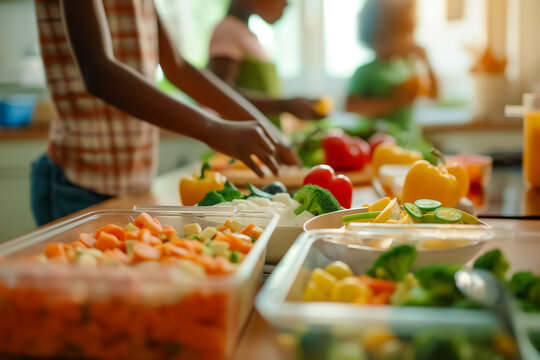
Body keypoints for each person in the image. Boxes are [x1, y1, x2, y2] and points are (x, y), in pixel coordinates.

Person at [31, 0, 296, 226]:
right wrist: (213, 129)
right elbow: (98, 73)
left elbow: (177, 67)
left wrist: (264, 127)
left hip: (135, 180)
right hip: (76, 181)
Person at [208, 0, 323, 128]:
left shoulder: (245, 33)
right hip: (242, 142)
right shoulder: (228, 31)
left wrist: (290, 106)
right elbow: (220, 95)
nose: (286, 4)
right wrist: (285, 105)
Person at [345, 0, 438, 137]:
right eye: (402, 33)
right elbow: (352, 107)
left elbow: (433, 95)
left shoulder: (407, 65)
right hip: (377, 141)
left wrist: (426, 62)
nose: (407, 39)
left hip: (410, 139)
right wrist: (397, 100)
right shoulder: (365, 71)